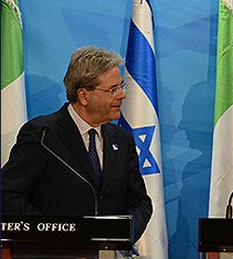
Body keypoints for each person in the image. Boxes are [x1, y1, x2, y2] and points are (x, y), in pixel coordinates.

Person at [1, 46, 152, 243]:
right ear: (83, 96)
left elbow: (140, 202)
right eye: (113, 89)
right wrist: (56, 236)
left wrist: (122, 234)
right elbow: (8, 195)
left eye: (121, 86)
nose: (122, 95)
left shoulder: (121, 139)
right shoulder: (42, 135)